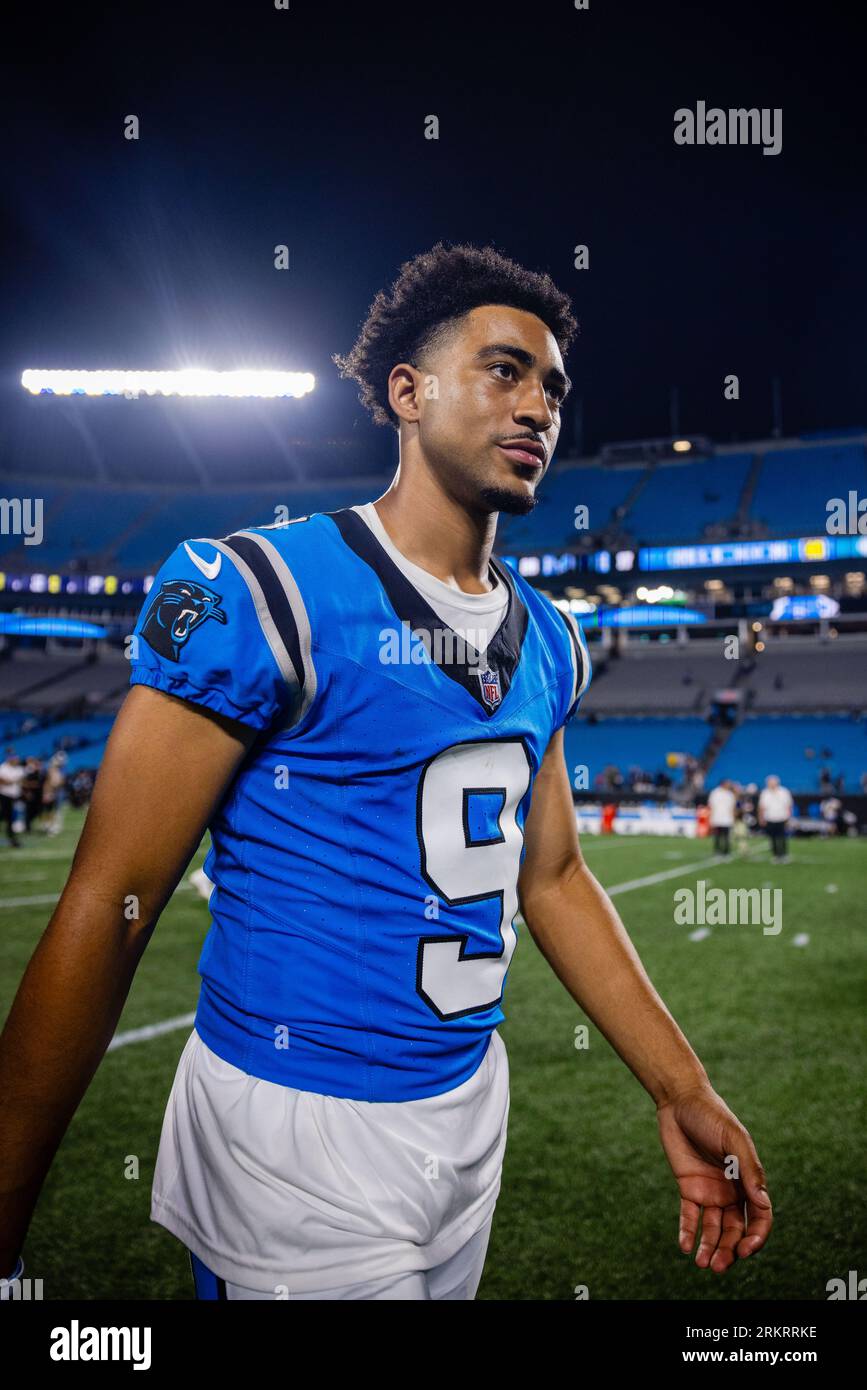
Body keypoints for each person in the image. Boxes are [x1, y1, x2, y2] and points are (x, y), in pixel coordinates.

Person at [0, 243, 772, 1301]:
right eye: (505, 370)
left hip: (465, 1109)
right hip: (294, 1127)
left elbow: (550, 876)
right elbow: (113, 902)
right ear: (406, 393)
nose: (538, 405)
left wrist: (680, 1084)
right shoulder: (265, 588)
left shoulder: (547, 636)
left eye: (553, 385)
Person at [757, 774, 793, 862]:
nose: (771, 784)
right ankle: (776, 855)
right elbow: (761, 807)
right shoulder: (765, 793)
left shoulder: (784, 792)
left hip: (781, 817)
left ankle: (784, 854)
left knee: (782, 837)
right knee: (772, 838)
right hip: (770, 818)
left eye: (773, 782)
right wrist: (761, 818)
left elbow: (789, 805)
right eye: (769, 783)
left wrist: (789, 817)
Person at [0, 752, 25, 849]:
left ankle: (12, 837)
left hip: (15, 796)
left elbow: (21, 781)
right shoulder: (3, 768)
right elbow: (2, 781)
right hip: (5, 795)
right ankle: (12, 839)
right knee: (8, 816)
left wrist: (11, 781)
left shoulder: (19, 769)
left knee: (10, 817)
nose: (16, 761)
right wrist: (13, 781)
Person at [707, 779, 736, 856]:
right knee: (717, 836)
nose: (729, 785)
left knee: (726, 836)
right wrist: (710, 817)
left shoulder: (730, 794)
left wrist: (733, 818)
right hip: (717, 817)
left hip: (727, 818)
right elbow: (710, 806)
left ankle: (726, 851)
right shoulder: (715, 793)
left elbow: (732, 807)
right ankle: (717, 850)